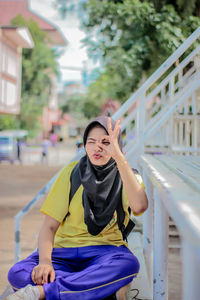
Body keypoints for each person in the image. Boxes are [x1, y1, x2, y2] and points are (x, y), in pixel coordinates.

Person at [7, 116, 148, 300]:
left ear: (118, 145)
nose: (98, 147)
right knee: (18, 272)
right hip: (62, 253)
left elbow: (140, 206)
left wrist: (119, 158)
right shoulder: (71, 173)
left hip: (106, 251)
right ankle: (88, 288)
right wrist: (45, 263)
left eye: (106, 142)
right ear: (84, 145)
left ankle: (44, 292)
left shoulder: (128, 177)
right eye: (91, 142)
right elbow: (49, 227)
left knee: (128, 264)